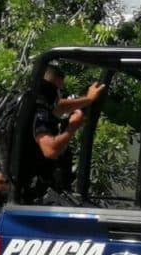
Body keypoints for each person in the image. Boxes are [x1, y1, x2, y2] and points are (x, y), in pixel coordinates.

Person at [31, 63, 105, 196]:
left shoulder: (33, 101)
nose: (59, 95)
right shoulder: (38, 110)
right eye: (57, 90)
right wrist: (72, 127)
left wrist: (88, 99)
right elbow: (50, 150)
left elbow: (59, 107)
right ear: (47, 87)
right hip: (31, 193)